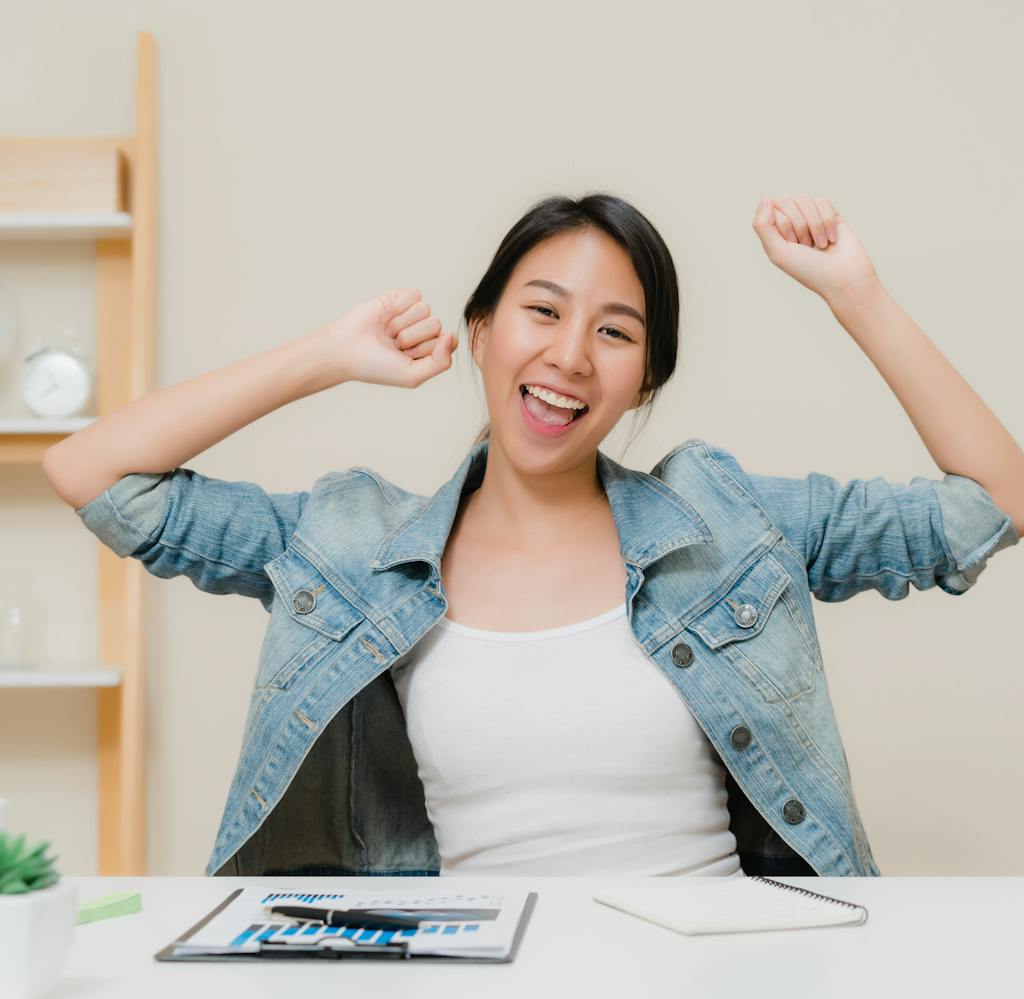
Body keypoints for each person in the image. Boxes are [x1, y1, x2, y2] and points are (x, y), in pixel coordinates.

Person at [43, 192, 1021, 879]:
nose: (567, 355)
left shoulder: (728, 520)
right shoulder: (353, 546)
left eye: (615, 331)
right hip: (482, 987)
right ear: (480, 331)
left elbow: (996, 505)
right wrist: (324, 356)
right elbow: (93, 476)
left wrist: (857, 294)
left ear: (644, 381)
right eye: (541, 311)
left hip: (725, 984)